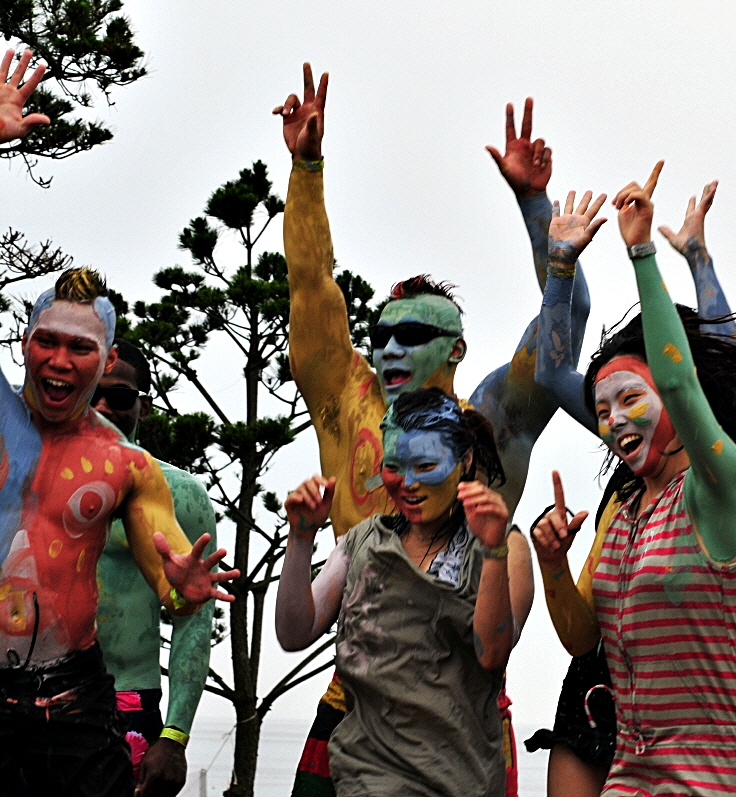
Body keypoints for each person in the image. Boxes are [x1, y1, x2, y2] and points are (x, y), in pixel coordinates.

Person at [274, 64, 575, 795]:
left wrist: (537, 208)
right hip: (355, 707)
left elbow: (562, 331)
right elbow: (311, 287)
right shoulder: (348, 399)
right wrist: (306, 170)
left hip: (462, 715)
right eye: (381, 335)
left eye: (413, 335)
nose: (390, 349)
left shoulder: (492, 418)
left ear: (456, 349)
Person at [531, 163, 736, 796]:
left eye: (631, 399)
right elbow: (582, 638)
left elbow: (681, 381)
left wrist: (648, 252)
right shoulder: (626, 508)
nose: (614, 420)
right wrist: (552, 563)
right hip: (636, 760)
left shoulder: (718, 479)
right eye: (603, 410)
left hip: (724, 769)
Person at [0, 261, 238, 793]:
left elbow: (178, 594)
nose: (60, 360)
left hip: (76, 692)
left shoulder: (128, 467)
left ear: (106, 358)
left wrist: (183, 589)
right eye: (47, 342)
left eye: (80, 348)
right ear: (25, 342)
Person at [276, 389, 517, 796]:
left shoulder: (504, 546)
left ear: (465, 460)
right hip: (364, 775)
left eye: (426, 465)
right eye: (393, 467)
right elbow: (294, 632)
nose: (407, 483)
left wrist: (493, 551)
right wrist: (300, 538)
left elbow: (493, 654)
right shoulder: (363, 542)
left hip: (460, 778)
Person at [94, 340, 217, 796]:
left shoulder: (180, 494)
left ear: (143, 407)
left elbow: (194, 620)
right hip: (27, 697)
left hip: (128, 698)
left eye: (119, 396)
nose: (102, 407)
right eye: (90, 392)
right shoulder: (27, 481)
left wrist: (175, 736)